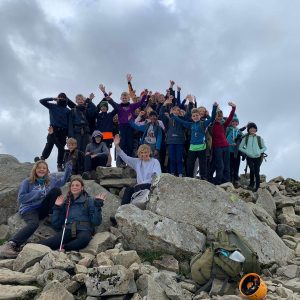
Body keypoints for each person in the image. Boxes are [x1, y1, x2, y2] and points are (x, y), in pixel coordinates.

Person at [0, 160, 72, 258]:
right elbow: (21, 198)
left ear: (47, 171)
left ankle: (51, 215)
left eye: (44, 168)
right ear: (35, 169)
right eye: (39, 168)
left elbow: (62, 181)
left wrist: (68, 169)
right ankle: (10, 244)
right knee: (34, 224)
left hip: (42, 209)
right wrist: (36, 194)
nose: (41, 170)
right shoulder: (27, 182)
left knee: (56, 190)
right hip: (29, 209)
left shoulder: (50, 181)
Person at [39, 177, 106, 251]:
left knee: (83, 240)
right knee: (49, 243)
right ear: (70, 188)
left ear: (82, 188)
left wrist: (97, 206)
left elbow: (96, 222)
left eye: (77, 185)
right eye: (72, 185)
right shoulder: (66, 202)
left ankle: (64, 248)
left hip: (84, 229)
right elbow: (56, 224)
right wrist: (57, 208)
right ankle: (31, 246)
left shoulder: (89, 201)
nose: (74, 187)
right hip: (68, 229)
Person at [99, 82, 147, 166]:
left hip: (130, 126)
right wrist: (104, 91)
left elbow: (140, 103)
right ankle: (121, 162)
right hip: (122, 127)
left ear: (128, 98)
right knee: (123, 144)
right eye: (123, 97)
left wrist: (145, 95)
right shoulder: (118, 106)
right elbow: (110, 101)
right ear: (121, 98)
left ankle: (130, 163)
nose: (124, 98)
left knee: (130, 144)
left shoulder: (132, 106)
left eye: (126, 97)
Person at [171, 103, 218, 179]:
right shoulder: (190, 124)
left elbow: (212, 118)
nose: (195, 117)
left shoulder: (204, 123)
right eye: (194, 116)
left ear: (199, 116)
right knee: (190, 164)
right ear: (192, 117)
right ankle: (189, 178)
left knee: (203, 164)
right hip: (192, 148)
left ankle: (203, 178)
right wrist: (174, 116)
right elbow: (181, 122)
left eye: (197, 115)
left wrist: (214, 107)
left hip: (202, 147)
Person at [114, 134, 161, 205]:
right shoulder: (137, 162)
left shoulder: (155, 161)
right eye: (141, 153)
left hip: (150, 186)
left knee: (139, 188)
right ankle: (122, 211)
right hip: (138, 187)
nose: (144, 154)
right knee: (128, 190)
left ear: (149, 152)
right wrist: (117, 146)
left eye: (146, 152)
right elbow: (125, 157)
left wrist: (142, 184)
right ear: (139, 154)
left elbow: (156, 176)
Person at [35, 93, 75, 171]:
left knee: (61, 148)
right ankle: (42, 159)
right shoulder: (52, 106)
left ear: (66, 100)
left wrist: (70, 135)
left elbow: (70, 123)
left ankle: (59, 165)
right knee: (49, 144)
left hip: (63, 131)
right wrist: (52, 98)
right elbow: (41, 101)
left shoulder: (68, 111)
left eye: (63, 98)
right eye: (60, 98)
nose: (62, 99)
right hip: (53, 130)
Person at [210, 102, 236, 185]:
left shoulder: (223, 125)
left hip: (226, 147)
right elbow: (213, 115)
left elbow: (230, 118)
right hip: (217, 148)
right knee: (220, 165)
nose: (219, 118)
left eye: (220, 117)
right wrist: (214, 107)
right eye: (218, 116)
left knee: (226, 165)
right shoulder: (211, 125)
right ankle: (218, 181)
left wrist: (233, 108)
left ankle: (226, 181)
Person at [239, 123, 267, 191]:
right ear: (248, 130)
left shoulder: (259, 138)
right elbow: (240, 147)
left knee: (257, 171)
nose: (252, 129)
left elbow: (264, 148)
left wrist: (259, 152)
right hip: (249, 157)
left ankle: (257, 187)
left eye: (254, 128)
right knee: (252, 170)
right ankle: (251, 184)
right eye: (251, 128)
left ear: (256, 129)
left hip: (258, 157)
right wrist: (247, 151)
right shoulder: (246, 138)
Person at [96, 93, 119, 167]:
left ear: (107, 108)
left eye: (105, 106)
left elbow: (117, 109)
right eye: (102, 107)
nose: (103, 108)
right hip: (100, 136)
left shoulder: (110, 115)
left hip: (108, 136)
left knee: (107, 150)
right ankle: (101, 164)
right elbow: (95, 108)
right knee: (100, 150)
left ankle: (109, 164)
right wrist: (103, 98)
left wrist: (110, 100)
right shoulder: (98, 115)